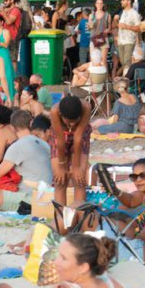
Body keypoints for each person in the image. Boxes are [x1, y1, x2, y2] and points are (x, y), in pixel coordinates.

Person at [0, 109, 53, 210]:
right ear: (31, 123)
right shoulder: (44, 144)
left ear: (12, 127)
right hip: (49, 195)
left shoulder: (17, 146)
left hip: (31, 199)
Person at [52, 234, 129, 288]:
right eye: (58, 255)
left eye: (63, 258)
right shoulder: (112, 286)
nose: (55, 262)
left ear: (83, 268)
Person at [49, 95, 92, 226]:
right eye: (68, 121)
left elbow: (78, 138)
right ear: (61, 115)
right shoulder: (54, 111)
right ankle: (60, 222)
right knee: (60, 180)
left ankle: (80, 221)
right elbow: (61, 142)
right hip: (59, 135)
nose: (72, 124)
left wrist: (77, 167)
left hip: (82, 134)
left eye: (75, 121)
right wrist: (61, 167)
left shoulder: (86, 107)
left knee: (79, 179)